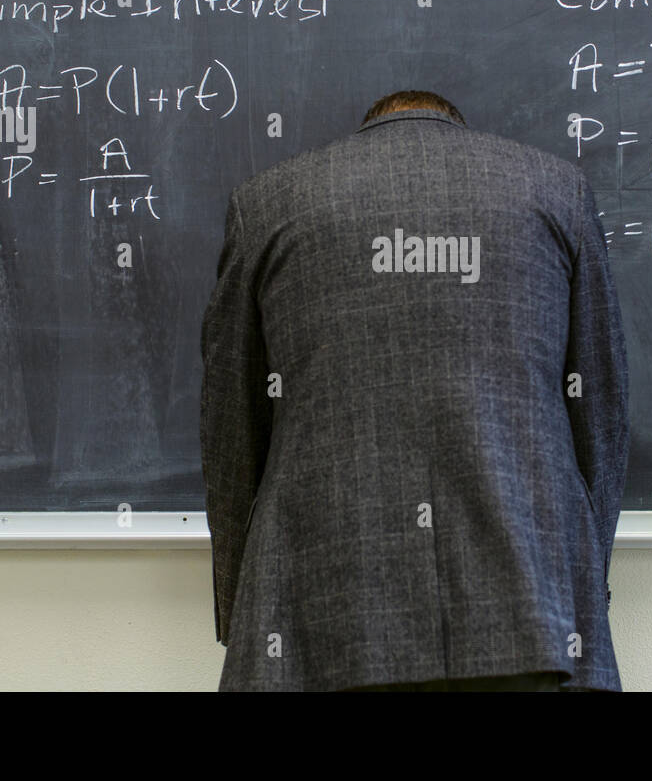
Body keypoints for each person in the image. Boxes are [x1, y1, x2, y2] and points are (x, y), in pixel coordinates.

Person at [200, 90, 630, 691]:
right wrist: (584, 586)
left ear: (370, 126)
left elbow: (231, 434)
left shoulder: (269, 203)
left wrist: (244, 604)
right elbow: (600, 416)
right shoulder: (557, 192)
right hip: (530, 613)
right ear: (453, 122)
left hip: (316, 613)